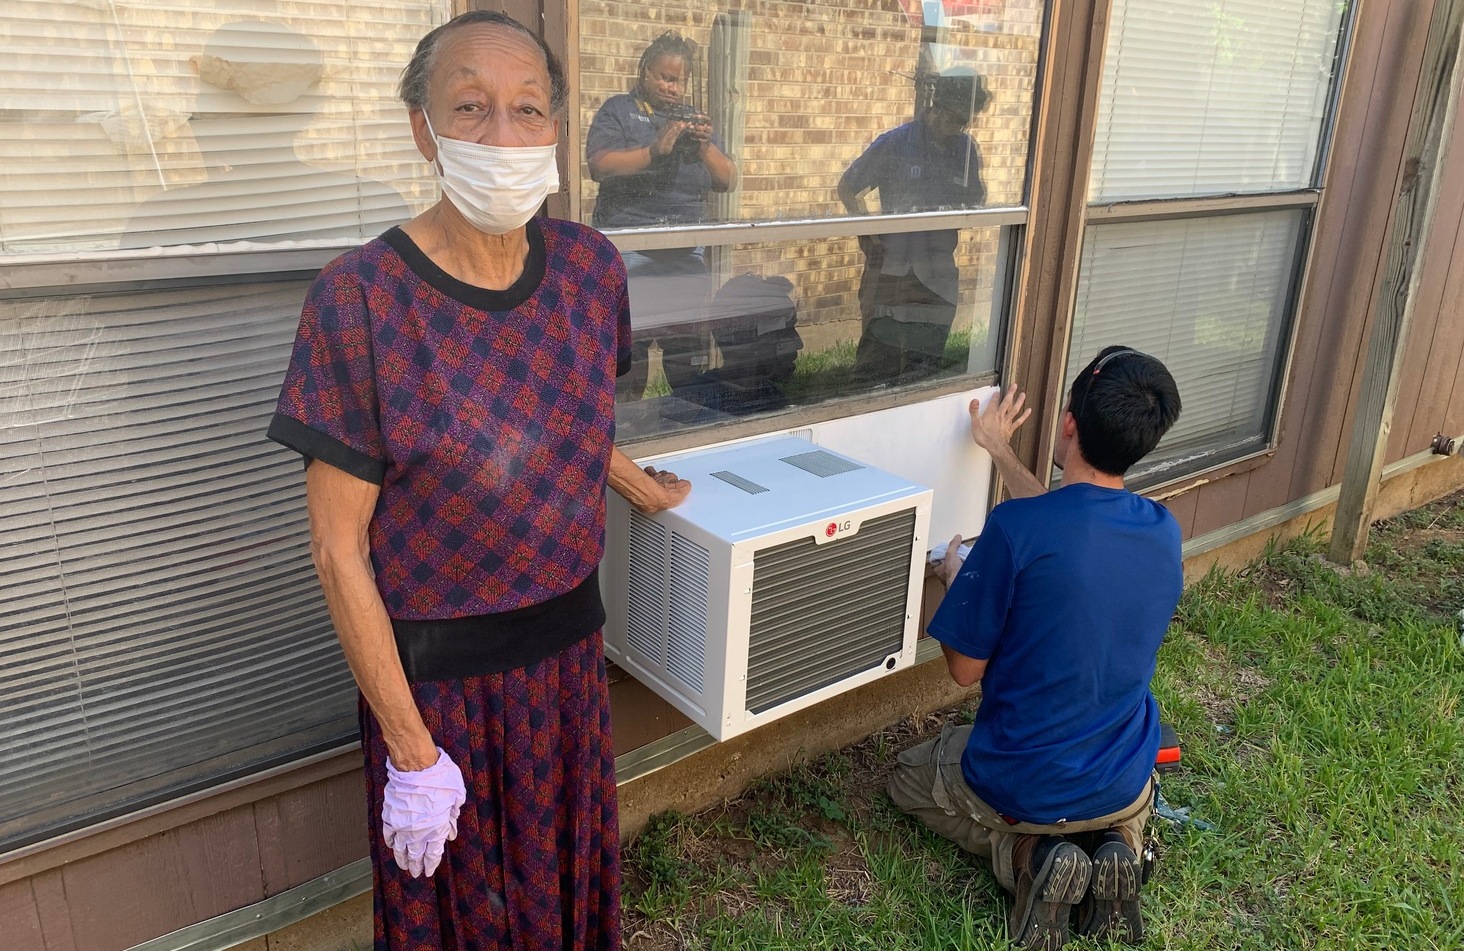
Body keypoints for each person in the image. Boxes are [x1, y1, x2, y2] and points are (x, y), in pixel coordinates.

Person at [265, 12, 689, 950]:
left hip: (570, 665)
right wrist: (413, 754)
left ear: (556, 131)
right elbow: (338, 550)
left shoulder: (589, 270)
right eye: (470, 107)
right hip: (438, 696)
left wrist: (635, 485)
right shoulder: (360, 300)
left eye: (527, 109)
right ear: (424, 127)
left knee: (566, 898)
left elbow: (567, 418)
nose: (503, 135)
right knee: (459, 922)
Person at [888, 347, 1183, 950]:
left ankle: (1027, 856)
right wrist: (998, 450)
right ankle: (1117, 847)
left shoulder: (1014, 531)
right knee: (1111, 810)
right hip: (1125, 780)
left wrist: (953, 580)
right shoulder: (1162, 529)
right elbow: (1069, 517)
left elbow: (963, 672)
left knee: (905, 777)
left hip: (1022, 783)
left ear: (1069, 420)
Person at [585, 31, 738, 400]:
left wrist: (702, 147)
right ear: (645, 73)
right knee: (628, 355)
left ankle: (684, 421)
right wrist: (653, 151)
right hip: (630, 252)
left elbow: (728, 180)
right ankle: (630, 433)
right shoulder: (619, 111)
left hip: (684, 255)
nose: (672, 87)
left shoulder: (691, 120)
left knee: (685, 355)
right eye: (665, 77)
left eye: (679, 80)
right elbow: (600, 164)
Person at [838, 68, 989, 386]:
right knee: (874, 370)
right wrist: (868, 234)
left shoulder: (965, 150)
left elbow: (975, 202)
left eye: (966, 120)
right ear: (939, 107)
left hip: (937, 276)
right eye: (955, 117)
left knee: (927, 373)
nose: (959, 126)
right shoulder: (895, 143)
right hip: (892, 271)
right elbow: (848, 187)